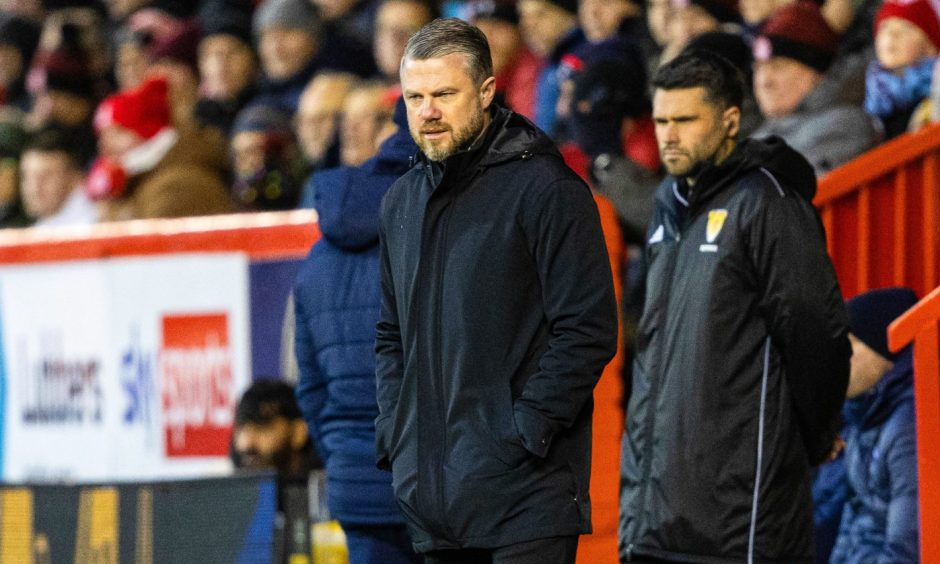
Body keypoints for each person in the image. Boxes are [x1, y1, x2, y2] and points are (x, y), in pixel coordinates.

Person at [375, 17, 618, 563]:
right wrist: (397, 432)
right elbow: (392, 335)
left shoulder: (547, 190)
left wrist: (522, 433)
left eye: (443, 94)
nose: (427, 111)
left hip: (526, 503)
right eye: (415, 96)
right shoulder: (400, 203)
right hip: (434, 507)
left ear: (486, 91)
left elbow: (588, 329)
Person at [619, 50, 851, 562]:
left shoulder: (769, 203)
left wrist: (816, 433)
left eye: (684, 120)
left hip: (738, 520)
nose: (668, 135)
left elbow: (815, 330)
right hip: (653, 513)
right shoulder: (667, 202)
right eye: (660, 120)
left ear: (729, 121)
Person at [294, 97, 420, 564]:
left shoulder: (318, 257)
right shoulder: (439, 226)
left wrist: (346, 455)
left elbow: (310, 389)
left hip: (356, 481)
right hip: (438, 482)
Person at [830, 287, 919, 563]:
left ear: (884, 354)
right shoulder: (862, 415)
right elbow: (851, 525)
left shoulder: (908, 428)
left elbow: (906, 548)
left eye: (850, 345)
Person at [751, 2, 880, 174]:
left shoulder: (844, 125)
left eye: (779, 67)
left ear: (816, 73)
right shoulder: (755, 140)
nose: (764, 81)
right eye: (758, 68)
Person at [19, 125, 97, 227]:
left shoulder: (98, 221)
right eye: (26, 177)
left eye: (46, 176)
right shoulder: (41, 227)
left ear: (75, 178)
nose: (34, 187)